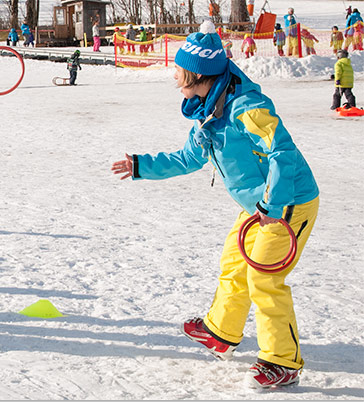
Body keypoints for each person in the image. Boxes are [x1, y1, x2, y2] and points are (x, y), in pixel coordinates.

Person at [110, 21, 319, 389]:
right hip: (257, 206)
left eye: (178, 70)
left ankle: (282, 362)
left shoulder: (246, 108)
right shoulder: (208, 109)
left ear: (196, 74)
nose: (174, 76)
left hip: (287, 203)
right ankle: (221, 333)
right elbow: (189, 158)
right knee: (233, 265)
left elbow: (283, 152)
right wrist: (142, 165)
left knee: (264, 278)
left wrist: (273, 202)